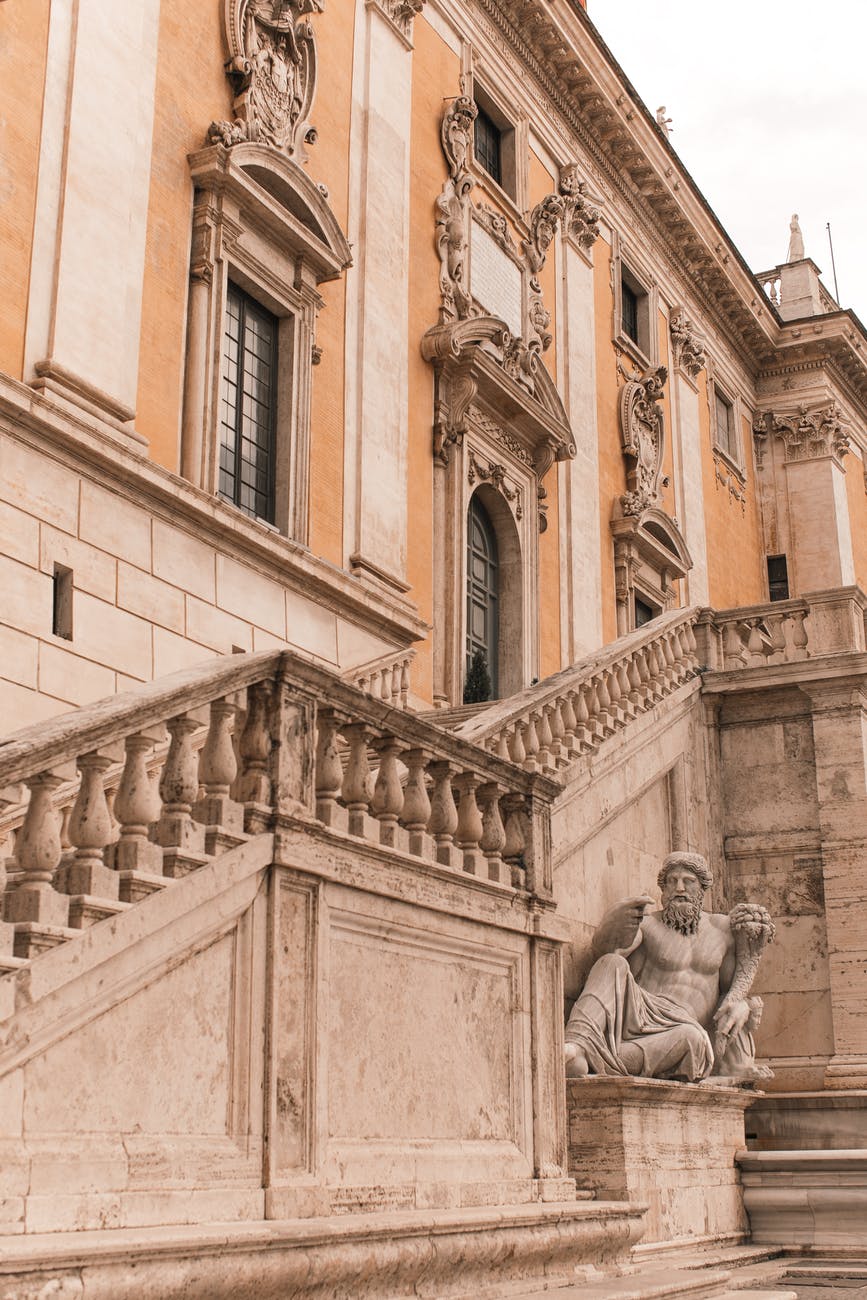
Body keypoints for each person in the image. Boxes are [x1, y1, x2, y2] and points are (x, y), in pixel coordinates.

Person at [564, 851, 774, 1082]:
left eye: (688, 881)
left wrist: (742, 1004)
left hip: (683, 1027)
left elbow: (729, 989)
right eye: (672, 881)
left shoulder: (722, 930)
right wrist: (611, 924)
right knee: (612, 963)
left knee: (692, 1038)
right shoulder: (648, 924)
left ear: (702, 887)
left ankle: (596, 1059)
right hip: (642, 1014)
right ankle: (575, 1045)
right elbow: (604, 953)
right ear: (664, 888)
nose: (680, 888)